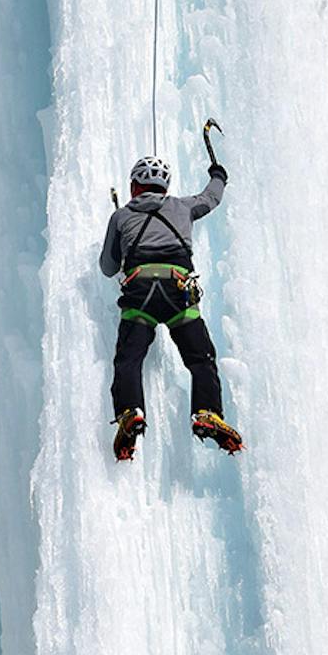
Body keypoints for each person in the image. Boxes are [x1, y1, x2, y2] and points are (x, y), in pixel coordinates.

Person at [99, 154, 243, 460]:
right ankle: (206, 411)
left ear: (134, 186)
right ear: (165, 187)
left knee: (129, 360)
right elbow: (212, 197)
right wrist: (218, 174)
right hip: (178, 292)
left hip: (140, 294)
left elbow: (107, 268)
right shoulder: (183, 206)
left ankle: (130, 411)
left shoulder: (121, 216)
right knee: (201, 359)